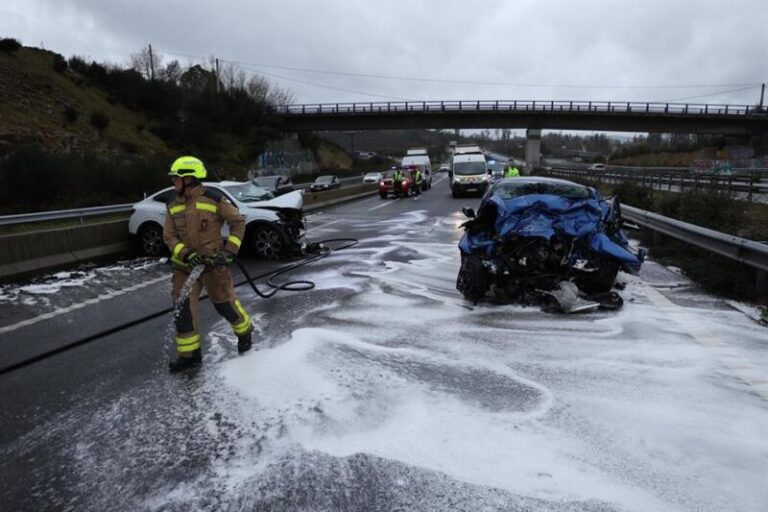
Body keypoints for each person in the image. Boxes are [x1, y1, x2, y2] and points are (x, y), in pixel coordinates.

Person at [164, 156, 254, 372]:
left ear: (189, 179)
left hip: (213, 266)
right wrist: (185, 254)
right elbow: (169, 236)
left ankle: (244, 331)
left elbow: (238, 223)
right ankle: (190, 356)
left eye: (176, 178)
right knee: (183, 311)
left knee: (225, 305)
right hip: (184, 269)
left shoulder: (214, 199)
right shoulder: (173, 205)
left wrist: (229, 251)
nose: (173, 182)